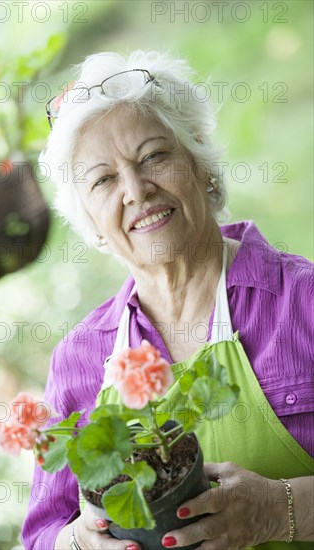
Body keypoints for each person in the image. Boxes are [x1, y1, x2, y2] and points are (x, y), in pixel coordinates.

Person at [22, 50, 314, 550]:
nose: (136, 190)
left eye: (154, 156)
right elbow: (41, 537)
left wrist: (277, 511)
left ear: (201, 162)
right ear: (90, 222)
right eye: (103, 180)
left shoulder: (302, 302)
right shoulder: (81, 359)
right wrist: (78, 542)